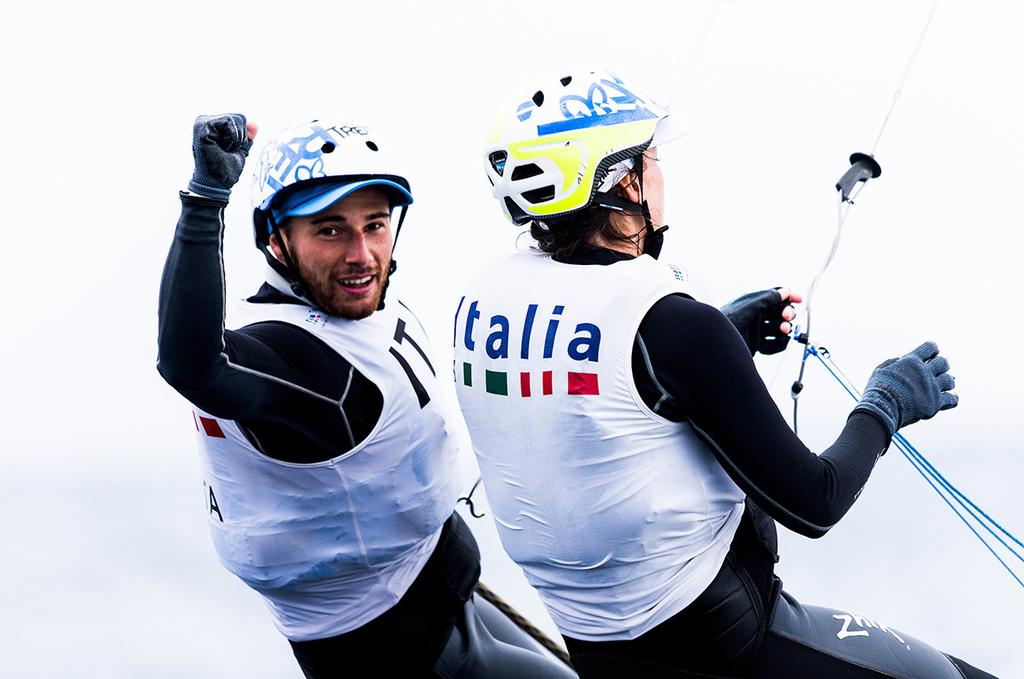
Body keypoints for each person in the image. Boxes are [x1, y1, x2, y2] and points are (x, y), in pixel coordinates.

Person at [453, 71, 997, 678]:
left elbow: (590, 395)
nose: (661, 175)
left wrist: (726, 336)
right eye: (651, 159)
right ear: (624, 183)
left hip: (601, 648)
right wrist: (885, 403)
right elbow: (817, 502)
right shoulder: (671, 325)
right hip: (724, 641)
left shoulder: (482, 302)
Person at [157, 114, 577, 678]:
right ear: (276, 240)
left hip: (442, 590)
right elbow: (194, 366)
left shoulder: (344, 319)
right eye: (330, 230)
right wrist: (205, 200)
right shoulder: (299, 368)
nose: (361, 255)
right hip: (414, 657)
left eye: (374, 225)